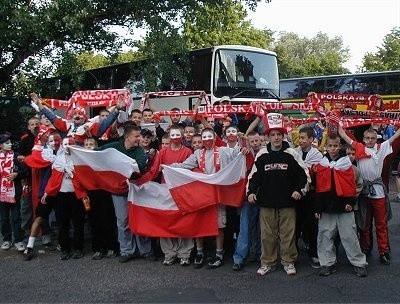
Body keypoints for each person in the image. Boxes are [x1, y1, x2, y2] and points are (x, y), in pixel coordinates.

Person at [170, 127, 246, 269]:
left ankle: (219, 254)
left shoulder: (222, 150)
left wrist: (243, 147)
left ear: (215, 137)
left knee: (219, 225)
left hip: (218, 194)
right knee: (199, 222)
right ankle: (199, 253)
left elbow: (236, 153)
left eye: (209, 137)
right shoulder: (198, 153)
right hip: (202, 195)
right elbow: (185, 166)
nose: (207, 141)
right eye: (204, 138)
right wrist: (170, 167)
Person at [247, 113, 309, 276]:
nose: (276, 138)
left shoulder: (291, 153)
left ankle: (289, 262)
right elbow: (254, 176)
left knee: (288, 234)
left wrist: (299, 190)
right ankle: (267, 262)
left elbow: (304, 175)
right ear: (267, 137)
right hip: (266, 202)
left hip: (287, 202)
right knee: (267, 235)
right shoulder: (262, 155)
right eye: (272, 135)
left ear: (283, 135)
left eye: (279, 134)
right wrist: (251, 191)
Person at [338, 125, 400, 265]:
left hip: (378, 193)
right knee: (364, 224)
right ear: (364, 139)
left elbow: (395, 136)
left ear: (376, 139)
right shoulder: (359, 147)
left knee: (381, 224)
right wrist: (338, 122)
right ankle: (365, 249)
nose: (370, 140)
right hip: (364, 193)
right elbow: (343, 135)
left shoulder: (381, 148)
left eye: (373, 138)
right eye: (368, 138)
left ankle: (383, 251)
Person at [137, 125, 194, 266]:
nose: (175, 138)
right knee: (166, 221)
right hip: (165, 190)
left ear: (182, 136)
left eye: (178, 135)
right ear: (169, 135)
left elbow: (190, 170)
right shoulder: (162, 152)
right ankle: (169, 253)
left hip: (181, 190)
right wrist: (139, 182)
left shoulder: (188, 151)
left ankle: (184, 253)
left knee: (183, 222)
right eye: (172, 135)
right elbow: (154, 170)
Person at [314, 134, 368, 277]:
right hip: (327, 207)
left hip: (344, 207)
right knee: (325, 236)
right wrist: (318, 208)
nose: (333, 149)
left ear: (340, 146)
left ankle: (359, 263)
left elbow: (351, 185)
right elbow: (319, 187)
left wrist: (350, 202)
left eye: (335, 146)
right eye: (330, 146)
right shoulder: (323, 164)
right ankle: (327, 263)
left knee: (349, 236)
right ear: (326, 147)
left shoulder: (346, 164)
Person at [96, 123, 151, 263]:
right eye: (137, 136)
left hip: (135, 190)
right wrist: (78, 151)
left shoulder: (139, 151)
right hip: (118, 190)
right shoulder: (114, 147)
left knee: (139, 219)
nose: (139, 138)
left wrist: (123, 166)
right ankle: (126, 251)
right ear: (127, 136)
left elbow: (140, 166)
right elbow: (97, 152)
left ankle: (145, 250)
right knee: (122, 221)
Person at [42, 137, 88, 260]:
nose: (67, 146)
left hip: (76, 195)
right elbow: (53, 179)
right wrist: (47, 193)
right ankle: (64, 248)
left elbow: (85, 177)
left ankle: (78, 248)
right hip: (62, 195)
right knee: (63, 223)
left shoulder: (79, 160)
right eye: (65, 144)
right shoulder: (58, 160)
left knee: (78, 223)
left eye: (69, 144)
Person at [23, 130, 62, 260]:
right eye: (51, 140)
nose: (54, 142)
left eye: (56, 140)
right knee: (39, 218)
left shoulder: (65, 154)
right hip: (46, 192)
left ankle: (63, 244)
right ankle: (29, 247)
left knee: (63, 218)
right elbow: (31, 160)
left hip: (62, 191)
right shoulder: (44, 155)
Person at [83, 137, 119, 260]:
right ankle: (98, 249)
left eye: (91, 144)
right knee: (94, 222)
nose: (89, 146)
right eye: (86, 144)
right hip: (90, 193)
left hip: (104, 192)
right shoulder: (81, 160)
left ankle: (112, 247)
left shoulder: (103, 158)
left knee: (107, 220)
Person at [232, 131, 262, 271]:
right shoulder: (244, 154)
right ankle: (239, 257)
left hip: (264, 197)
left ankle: (261, 255)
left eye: (257, 141)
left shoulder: (267, 153)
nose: (255, 144)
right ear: (248, 142)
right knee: (245, 227)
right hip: (247, 196)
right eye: (252, 141)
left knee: (263, 228)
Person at [294, 126, 323, 268]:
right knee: (296, 223)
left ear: (311, 139)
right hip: (298, 194)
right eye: (299, 137)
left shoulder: (317, 155)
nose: (300, 140)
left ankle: (314, 253)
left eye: (303, 138)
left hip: (311, 194)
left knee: (312, 224)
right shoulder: (295, 153)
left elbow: (318, 176)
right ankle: (293, 253)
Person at [0, 132, 28, 252]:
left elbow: (25, 171)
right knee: (4, 218)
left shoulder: (16, 156)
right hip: (1, 192)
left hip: (14, 192)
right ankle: (6, 239)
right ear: (0, 145)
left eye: (10, 142)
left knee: (16, 217)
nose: (10, 144)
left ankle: (18, 240)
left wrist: (17, 174)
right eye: (6, 143)